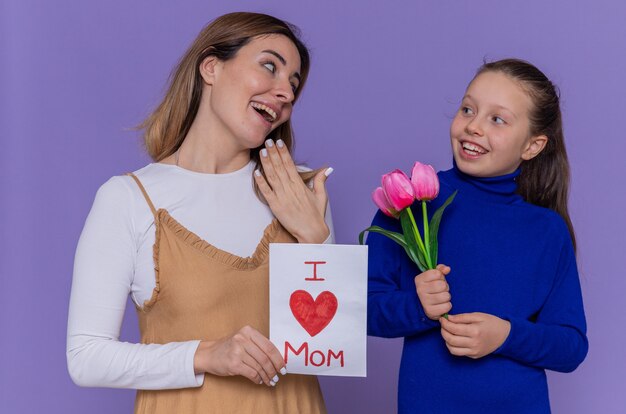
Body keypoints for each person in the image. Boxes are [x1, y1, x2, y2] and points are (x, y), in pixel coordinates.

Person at [67, 12, 333, 414]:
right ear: (211, 67)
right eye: (269, 67)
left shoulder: (299, 191)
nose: (286, 94)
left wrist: (315, 238)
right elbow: (85, 357)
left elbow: (330, 345)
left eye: (293, 85)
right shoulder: (128, 198)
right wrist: (206, 355)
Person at [366, 59, 588, 413]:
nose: (473, 126)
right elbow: (359, 309)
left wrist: (506, 336)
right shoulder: (410, 202)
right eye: (468, 109)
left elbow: (571, 345)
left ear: (532, 146)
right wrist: (416, 307)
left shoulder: (547, 230)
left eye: (497, 119)